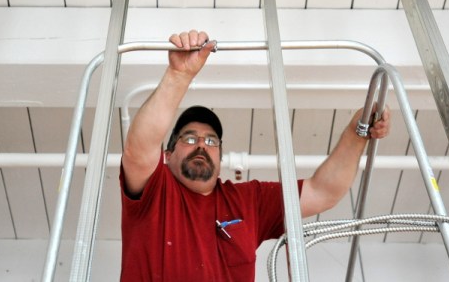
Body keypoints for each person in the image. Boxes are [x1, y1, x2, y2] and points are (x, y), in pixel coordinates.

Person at [120, 30, 391, 281]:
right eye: (190, 138)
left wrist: (357, 133)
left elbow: (323, 192)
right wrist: (178, 76)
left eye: (211, 140)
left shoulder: (249, 201)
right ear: (167, 155)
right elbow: (138, 149)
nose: (202, 144)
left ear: (221, 158)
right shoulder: (155, 191)